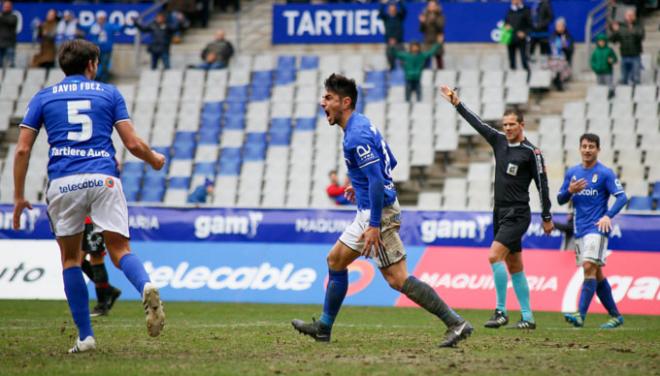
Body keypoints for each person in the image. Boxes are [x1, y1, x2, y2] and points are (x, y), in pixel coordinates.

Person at [291, 74, 473, 348]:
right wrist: (359, 185)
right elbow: (390, 161)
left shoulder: (357, 135)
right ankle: (323, 328)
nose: (322, 102)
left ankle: (456, 323)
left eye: (328, 97)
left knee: (397, 279)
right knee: (335, 261)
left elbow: (377, 179)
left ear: (345, 101)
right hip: (369, 208)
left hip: (379, 213)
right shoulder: (362, 124)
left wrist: (374, 224)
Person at [13, 39, 166, 353]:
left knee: (71, 258)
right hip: (103, 177)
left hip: (64, 181)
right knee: (120, 249)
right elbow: (134, 144)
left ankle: (86, 337)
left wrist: (18, 197)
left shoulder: (43, 97)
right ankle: (145, 285)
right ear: (92, 64)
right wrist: (154, 160)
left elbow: (23, 149)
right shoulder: (109, 93)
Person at [440, 86, 554, 330]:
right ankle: (528, 318)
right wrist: (457, 104)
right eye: (505, 125)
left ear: (522, 125)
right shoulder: (498, 141)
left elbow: (542, 185)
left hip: (518, 213)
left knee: (493, 256)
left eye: (512, 124)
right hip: (499, 212)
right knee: (514, 265)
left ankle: (501, 311)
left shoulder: (531, 153)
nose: (508, 128)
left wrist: (546, 216)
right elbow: (478, 123)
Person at [557, 133, 628, 329]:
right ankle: (616, 316)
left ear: (598, 149)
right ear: (580, 148)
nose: (587, 150)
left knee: (588, 267)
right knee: (596, 274)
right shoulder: (572, 172)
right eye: (584, 146)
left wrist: (608, 216)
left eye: (591, 147)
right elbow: (560, 199)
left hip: (597, 229)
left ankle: (580, 315)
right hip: (580, 230)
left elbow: (622, 197)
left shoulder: (605, 173)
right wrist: (570, 191)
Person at [80, 217, 122, 317]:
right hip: (81, 221)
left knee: (96, 258)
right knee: (77, 261)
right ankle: (109, 290)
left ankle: (102, 305)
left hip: (94, 221)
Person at [80, 12, 125, 82]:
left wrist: (124, 24)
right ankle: (95, 80)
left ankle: (103, 81)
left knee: (104, 66)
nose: (101, 20)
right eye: (100, 18)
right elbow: (84, 28)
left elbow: (119, 28)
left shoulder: (109, 26)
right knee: (94, 66)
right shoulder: (94, 26)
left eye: (102, 18)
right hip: (95, 50)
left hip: (106, 50)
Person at [609, 9, 644, 86]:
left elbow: (641, 36)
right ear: (625, 16)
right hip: (624, 56)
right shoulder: (621, 27)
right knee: (624, 78)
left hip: (635, 55)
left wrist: (632, 30)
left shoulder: (638, 25)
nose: (630, 17)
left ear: (634, 16)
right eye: (628, 15)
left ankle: (635, 94)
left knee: (636, 78)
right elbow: (612, 40)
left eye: (632, 15)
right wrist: (615, 31)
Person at [504, 0, 532, 71]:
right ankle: (513, 73)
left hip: (521, 39)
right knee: (511, 59)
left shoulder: (526, 10)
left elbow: (530, 25)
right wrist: (506, 26)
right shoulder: (510, 10)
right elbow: (506, 22)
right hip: (511, 38)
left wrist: (524, 33)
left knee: (524, 59)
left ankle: (526, 73)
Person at [378, 0, 406, 71]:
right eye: (390, 9)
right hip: (389, 42)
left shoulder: (399, 17)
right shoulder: (386, 18)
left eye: (393, 9)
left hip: (399, 42)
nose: (392, 11)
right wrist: (383, 4)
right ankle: (392, 69)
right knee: (390, 57)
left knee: (403, 58)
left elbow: (404, 10)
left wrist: (399, 2)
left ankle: (403, 70)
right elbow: (380, 13)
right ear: (388, 10)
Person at [418, 0, 444, 69]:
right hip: (427, 40)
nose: (432, 7)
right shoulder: (425, 15)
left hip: (437, 40)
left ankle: (441, 75)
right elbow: (421, 30)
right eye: (430, 5)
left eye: (433, 5)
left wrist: (434, 20)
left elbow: (441, 27)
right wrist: (422, 22)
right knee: (426, 59)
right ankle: (426, 74)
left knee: (438, 59)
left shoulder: (440, 16)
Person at [590, 33, 618, 98]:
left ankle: (611, 94)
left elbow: (615, 59)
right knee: (600, 86)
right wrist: (595, 67)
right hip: (599, 72)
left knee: (609, 84)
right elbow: (592, 61)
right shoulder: (596, 51)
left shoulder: (609, 50)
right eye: (600, 41)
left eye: (603, 41)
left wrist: (612, 60)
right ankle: (601, 97)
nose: (601, 43)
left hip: (607, 71)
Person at [547, 20, 572, 91]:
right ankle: (555, 81)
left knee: (561, 66)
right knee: (551, 65)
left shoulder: (567, 36)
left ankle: (559, 83)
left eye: (561, 26)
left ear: (564, 27)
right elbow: (549, 48)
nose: (559, 28)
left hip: (563, 58)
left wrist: (565, 46)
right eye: (558, 26)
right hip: (553, 58)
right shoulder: (552, 36)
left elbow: (569, 48)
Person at [0, 0, 18, 69]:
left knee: (11, 65)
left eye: (8, 6)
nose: (6, 8)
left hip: (10, 43)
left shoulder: (13, 16)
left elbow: (11, 22)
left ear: (11, 7)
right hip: (0, 43)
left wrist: (2, 16)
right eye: (5, 6)